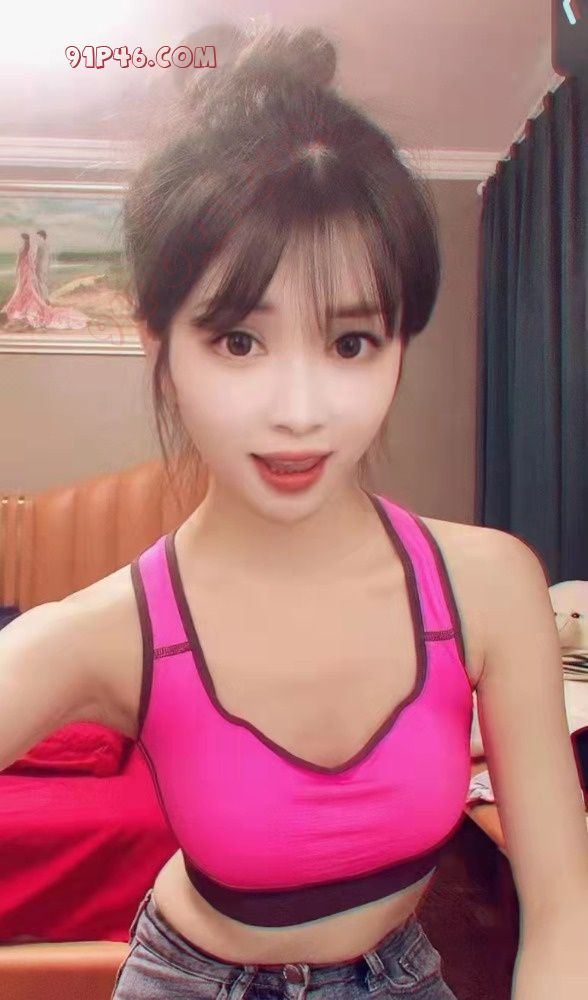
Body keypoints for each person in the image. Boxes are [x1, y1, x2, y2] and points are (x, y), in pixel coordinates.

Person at [1, 21, 587, 1000]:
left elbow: (565, 905)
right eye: (239, 341)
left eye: (352, 343)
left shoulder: (487, 586)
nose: (301, 411)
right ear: (158, 340)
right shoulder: (109, 633)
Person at [2, 231, 88, 330]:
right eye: (26, 241)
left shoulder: (30, 252)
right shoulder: (27, 251)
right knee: (25, 291)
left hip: (28, 275)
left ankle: (33, 306)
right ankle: (31, 305)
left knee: (30, 291)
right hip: (25, 275)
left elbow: (30, 265)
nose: (26, 242)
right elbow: (23, 265)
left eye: (27, 241)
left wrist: (30, 275)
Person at [35, 229, 50, 302]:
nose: (37, 238)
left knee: (40, 282)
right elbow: (47, 257)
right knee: (44, 282)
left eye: (38, 236)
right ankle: (46, 298)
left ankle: (43, 299)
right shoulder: (47, 245)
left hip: (40, 265)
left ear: (41, 236)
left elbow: (37, 257)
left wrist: (34, 265)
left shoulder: (40, 245)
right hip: (45, 266)